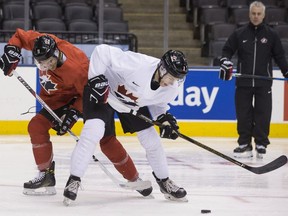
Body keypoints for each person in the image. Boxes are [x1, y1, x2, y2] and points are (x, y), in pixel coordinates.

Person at [0, 28, 152, 196]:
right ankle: (45, 176)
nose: (45, 67)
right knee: (36, 126)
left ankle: (134, 179)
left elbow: (87, 94)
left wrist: (73, 114)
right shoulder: (43, 43)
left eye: (49, 62)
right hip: (58, 99)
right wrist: (11, 50)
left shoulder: (78, 67)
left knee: (107, 141)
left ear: (57, 54)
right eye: (41, 63)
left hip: (92, 96)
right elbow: (20, 36)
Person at [63, 44, 188, 204]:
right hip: (103, 92)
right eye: (171, 77)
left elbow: (158, 104)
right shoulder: (138, 64)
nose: (172, 83)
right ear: (162, 69)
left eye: (176, 79)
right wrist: (95, 78)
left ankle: (164, 182)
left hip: (131, 103)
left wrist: (163, 119)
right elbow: (102, 51)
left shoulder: (172, 87)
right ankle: (74, 180)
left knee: (152, 140)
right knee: (93, 132)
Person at [219, 1, 288, 159]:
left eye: (259, 14)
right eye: (253, 13)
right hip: (243, 82)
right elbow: (227, 50)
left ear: (263, 15)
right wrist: (225, 60)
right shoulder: (240, 33)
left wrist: (286, 71)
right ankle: (244, 144)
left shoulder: (272, 35)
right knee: (243, 114)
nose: (256, 16)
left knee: (263, 113)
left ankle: (261, 143)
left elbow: (280, 56)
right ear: (249, 14)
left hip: (264, 82)